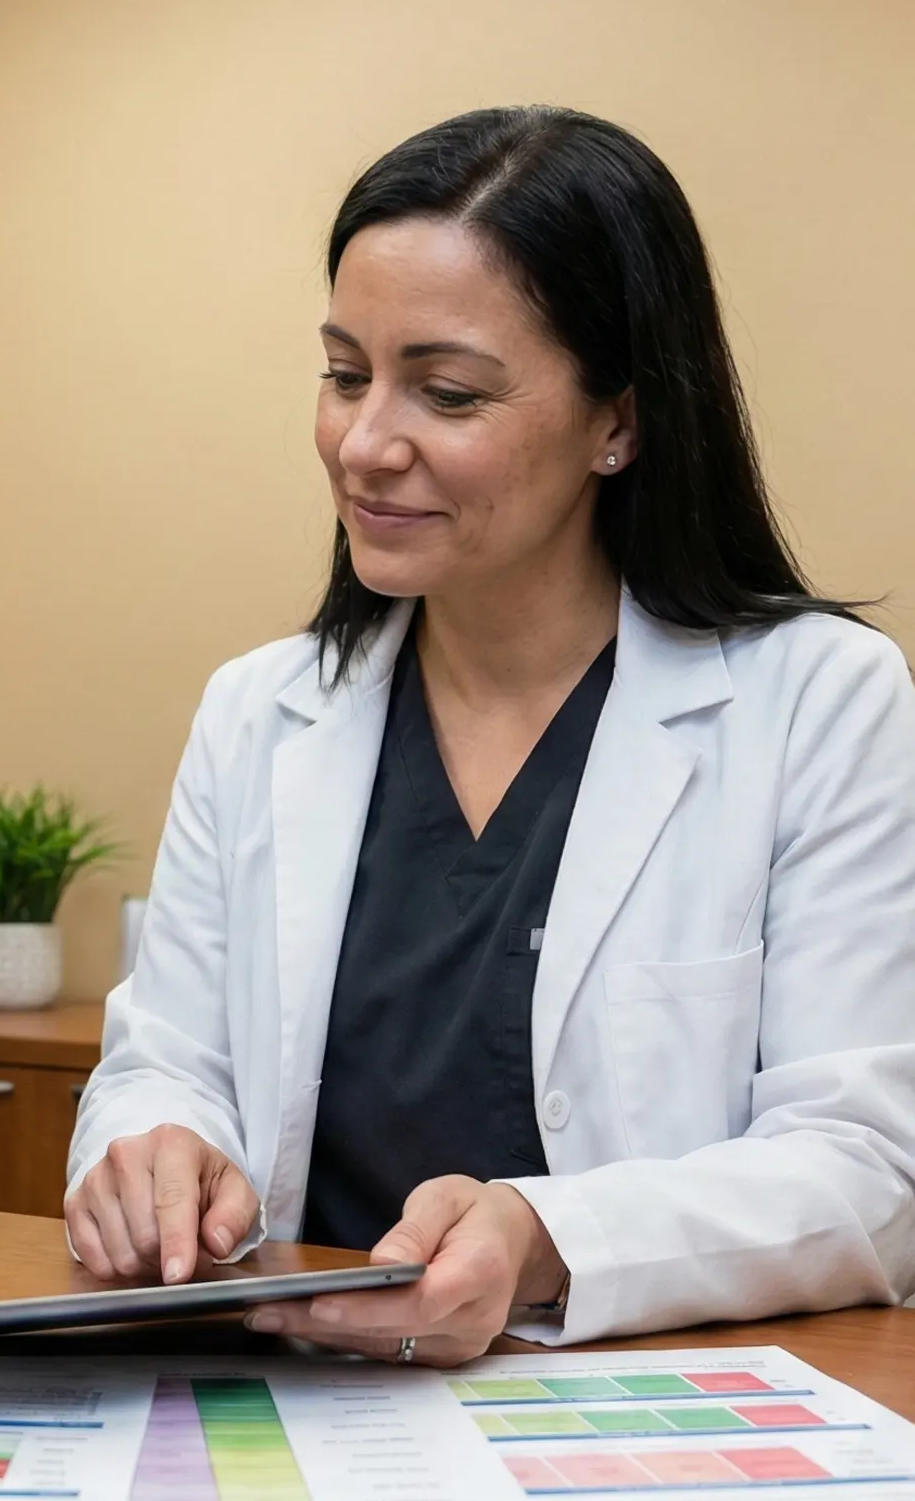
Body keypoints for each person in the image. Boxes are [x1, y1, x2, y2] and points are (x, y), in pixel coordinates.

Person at [67, 106, 915, 1367]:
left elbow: (866, 1170)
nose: (363, 444)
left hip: (624, 1420)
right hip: (306, 1398)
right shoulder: (259, 712)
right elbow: (163, 1065)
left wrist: (543, 1232)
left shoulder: (817, 701)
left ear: (615, 421)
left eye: (445, 391)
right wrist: (151, 1149)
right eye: (345, 373)